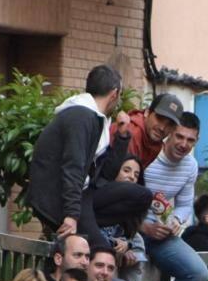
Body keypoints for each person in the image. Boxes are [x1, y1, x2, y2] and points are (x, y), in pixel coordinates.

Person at [26, 65, 151, 248]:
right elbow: (73, 167)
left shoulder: (96, 118)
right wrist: (71, 215)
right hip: (60, 198)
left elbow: (107, 174)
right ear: (115, 94)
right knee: (99, 252)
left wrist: (122, 137)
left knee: (142, 196)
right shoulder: (80, 116)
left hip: (85, 194)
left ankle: (92, 231)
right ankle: (90, 236)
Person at [138, 111, 208, 281]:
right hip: (132, 229)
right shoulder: (149, 155)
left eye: (190, 140)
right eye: (179, 136)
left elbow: (186, 204)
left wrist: (177, 221)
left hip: (162, 233)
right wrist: (143, 227)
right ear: (169, 134)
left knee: (198, 273)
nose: (183, 144)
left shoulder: (190, 166)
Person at [114, 92, 183, 168]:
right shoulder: (132, 133)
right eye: (159, 118)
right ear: (147, 113)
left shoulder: (154, 142)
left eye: (170, 124)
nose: (162, 128)